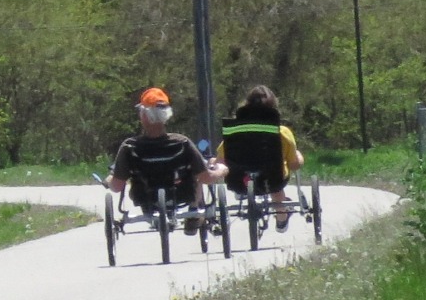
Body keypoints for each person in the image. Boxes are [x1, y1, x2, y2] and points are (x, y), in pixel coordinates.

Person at [106, 87, 228, 221]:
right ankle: (194, 212)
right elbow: (206, 178)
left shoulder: (130, 147)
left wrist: (110, 179)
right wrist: (221, 170)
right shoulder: (182, 143)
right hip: (182, 194)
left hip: (144, 197)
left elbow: (117, 186)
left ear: (144, 116)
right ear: (166, 115)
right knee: (194, 172)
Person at [217, 84, 305, 230]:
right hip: (273, 179)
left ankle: (245, 194)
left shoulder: (235, 131)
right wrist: (299, 157)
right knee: (277, 185)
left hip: (239, 179)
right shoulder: (282, 132)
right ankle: (282, 217)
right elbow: (293, 165)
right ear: (274, 108)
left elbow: (221, 159)